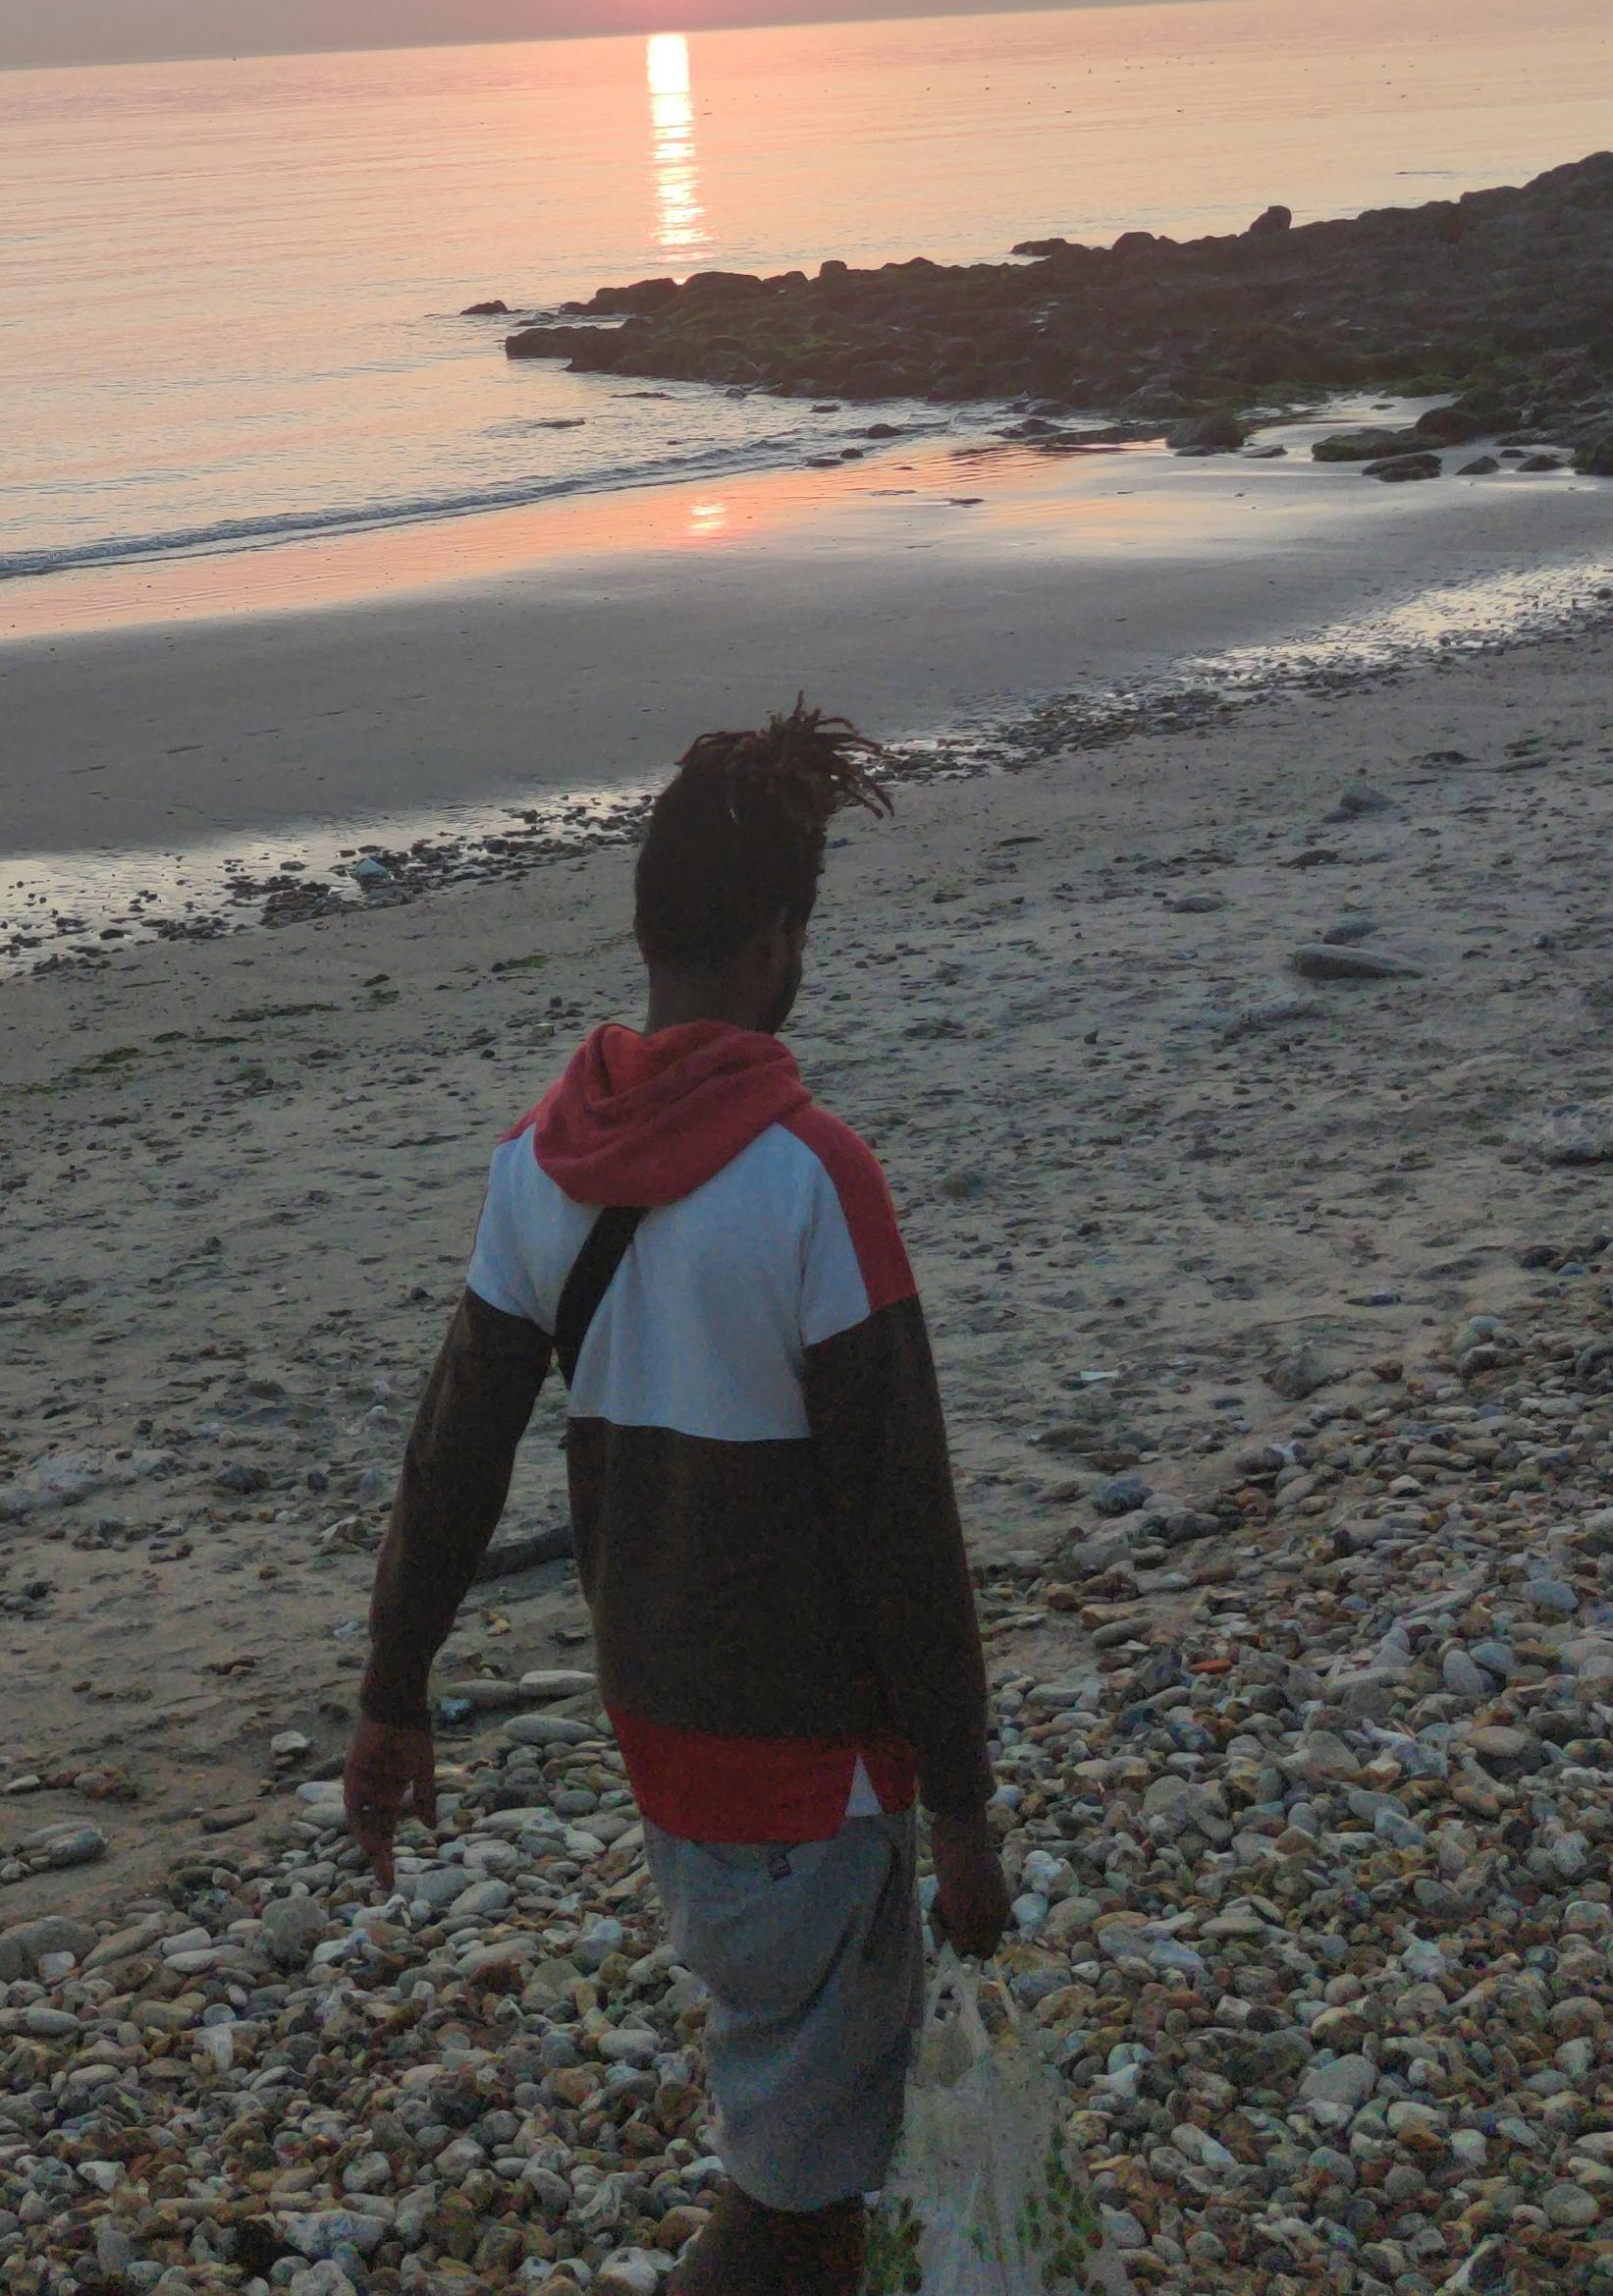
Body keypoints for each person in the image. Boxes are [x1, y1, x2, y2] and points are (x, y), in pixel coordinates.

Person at [347, 699, 1002, 2294]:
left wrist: (391, 1696)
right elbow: (907, 1529)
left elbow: (450, 1459)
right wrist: (968, 1813)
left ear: (650, 928)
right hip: (818, 1776)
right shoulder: (813, 1184)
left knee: (793, 2146)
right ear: (777, 940)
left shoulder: (535, 1173)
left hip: (666, 1753)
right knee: (802, 2192)